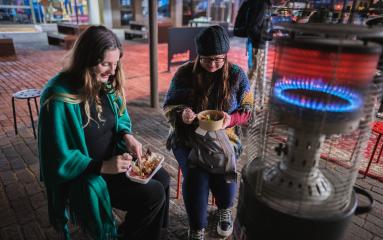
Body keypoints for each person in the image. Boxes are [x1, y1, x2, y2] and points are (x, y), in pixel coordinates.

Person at [38, 25, 169, 240]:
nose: (112, 70)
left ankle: (153, 233)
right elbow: (56, 157)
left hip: (114, 159)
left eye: (116, 63)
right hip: (87, 172)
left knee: (162, 178)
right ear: (85, 60)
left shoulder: (105, 82)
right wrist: (102, 166)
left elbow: (120, 118)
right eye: (105, 63)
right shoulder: (57, 97)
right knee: (153, 194)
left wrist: (128, 136)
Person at [163, 25, 254, 240]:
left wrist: (231, 119)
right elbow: (168, 105)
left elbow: (248, 109)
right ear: (198, 55)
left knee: (223, 168)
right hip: (187, 137)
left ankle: (224, 208)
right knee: (196, 174)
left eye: (218, 59)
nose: (212, 64)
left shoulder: (236, 75)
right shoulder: (185, 73)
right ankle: (197, 227)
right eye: (206, 59)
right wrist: (181, 113)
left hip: (225, 137)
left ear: (226, 55)